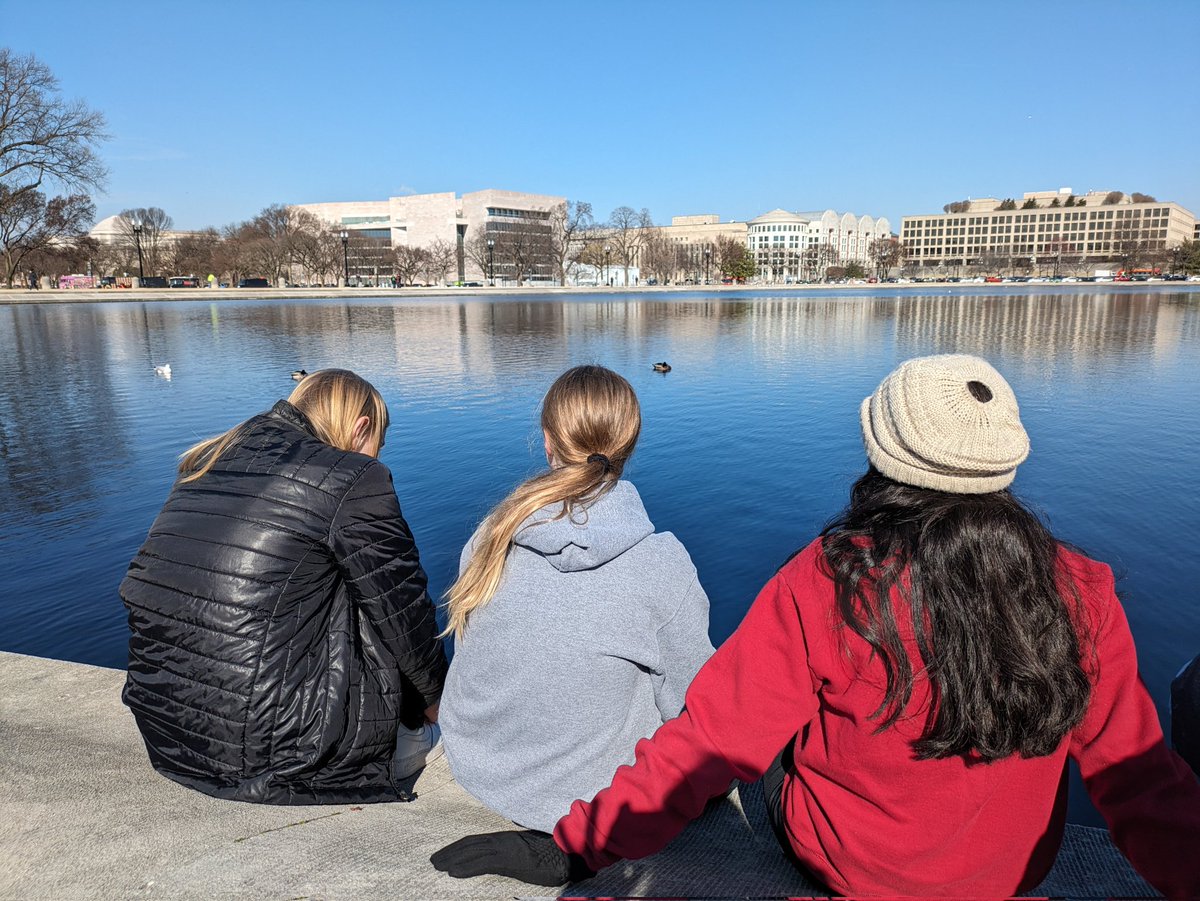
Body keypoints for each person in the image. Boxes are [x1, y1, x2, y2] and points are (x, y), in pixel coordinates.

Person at [432, 354, 1200, 898]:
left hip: (853, 867)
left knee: (764, 726)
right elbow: (1139, 779)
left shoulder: (832, 579)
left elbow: (711, 739)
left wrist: (576, 845)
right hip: (1005, 875)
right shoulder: (1079, 589)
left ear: (882, 454)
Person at [121, 368, 447, 804]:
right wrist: (434, 701)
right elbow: (402, 609)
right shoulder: (352, 477)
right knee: (376, 593)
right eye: (379, 446)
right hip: (278, 756)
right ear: (361, 428)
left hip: (168, 729)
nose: (379, 459)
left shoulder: (212, 459)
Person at [437, 364, 714, 832]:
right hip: (588, 793)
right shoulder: (661, 563)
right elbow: (692, 701)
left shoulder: (493, 533)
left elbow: (476, 653)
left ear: (547, 441)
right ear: (630, 443)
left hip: (478, 764)